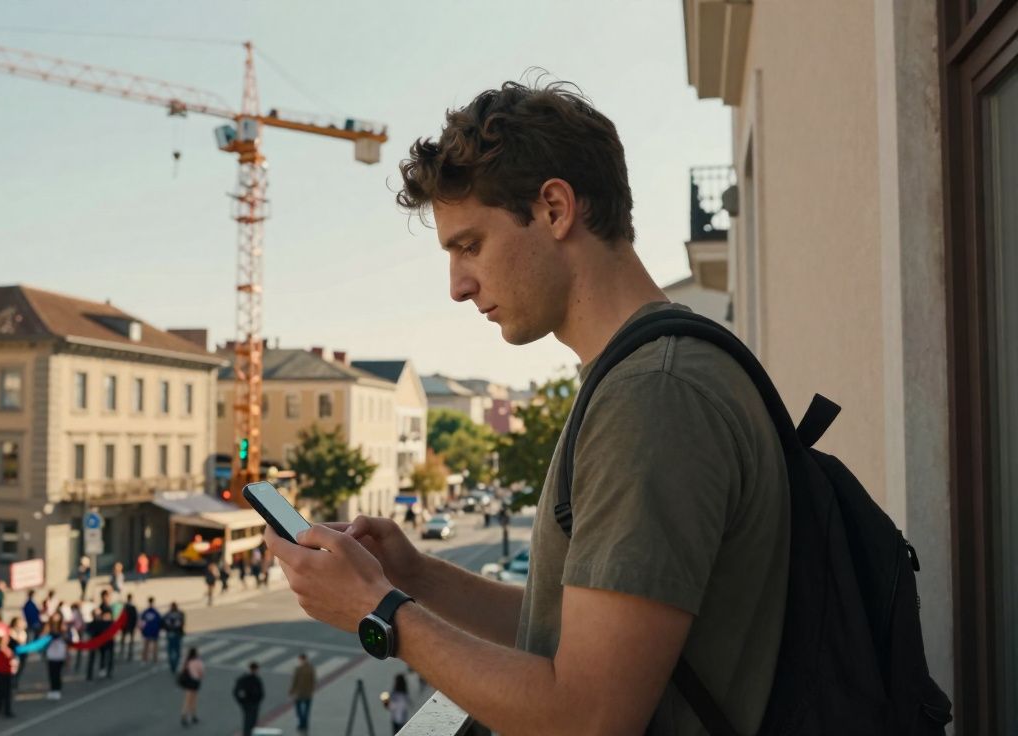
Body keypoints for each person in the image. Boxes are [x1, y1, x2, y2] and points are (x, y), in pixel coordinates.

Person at [262, 81, 791, 736]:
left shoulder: (653, 394)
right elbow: (569, 638)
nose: (457, 287)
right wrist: (416, 576)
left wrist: (381, 612)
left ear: (554, 209)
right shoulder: (648, 370)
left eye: (469, 246)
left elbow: (588, 717)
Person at [233, 661, 265, 736]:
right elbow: (237, 691)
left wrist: (258, 700)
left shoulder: (256, 679)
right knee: (248, 720)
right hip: (248, 703)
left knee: (252, 720)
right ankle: (247, 734)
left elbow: (261, 692)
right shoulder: (245, 679)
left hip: (254, 703)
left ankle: (249, 733)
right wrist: (242, 701)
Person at [289, 653, 317, 735]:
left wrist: (291, 691)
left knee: (299, 710)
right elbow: (313, 680)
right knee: (306, 710)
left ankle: (302, 724)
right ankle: (305, 724)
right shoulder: (311, 668)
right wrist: (312, 690)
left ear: (301, 659)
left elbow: (294, 681)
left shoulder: (298, 668)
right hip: (308, 693)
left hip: (299, 693)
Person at [44, 615, 69, 701]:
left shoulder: (63, 629)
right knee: (51, 673)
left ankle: (57, 689)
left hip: (60, 655)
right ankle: (52, 689)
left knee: (57, 673)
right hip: (51, 655)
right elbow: (42, 638)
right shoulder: (48, 628)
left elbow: (67, 640)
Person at [177, 647, 204, 728]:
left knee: (187, 700)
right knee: (194, 699)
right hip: (195, 682)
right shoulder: (198, 662)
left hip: (188, 682)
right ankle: (192, 716)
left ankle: (185, 716)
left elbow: (182, 670)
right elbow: (201, 673)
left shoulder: (187, 661)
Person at [0, 636, 17, 718]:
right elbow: (2, 664)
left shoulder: (4, 650)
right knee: (6, 693)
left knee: (2, 692)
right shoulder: (1, 651)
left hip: (4, 673)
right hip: (4, 674)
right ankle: (6, 710)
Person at [85, 608, 114, 680]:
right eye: (96, 614)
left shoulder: (104, 623)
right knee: (92, 659)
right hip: (94, 643)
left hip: (104, 643)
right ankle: (89, 675)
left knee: (105, 657)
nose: (98, 616)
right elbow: (88, 632)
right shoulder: (92, 624)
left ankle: (105, 670)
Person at [162, 602, 186, 673]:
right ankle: (175, 664)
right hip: (177, 633)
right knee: (176, 650)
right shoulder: (180, 614)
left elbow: (163, 623)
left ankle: (173, 664)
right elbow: (182, 623)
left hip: (170, 633)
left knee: (171, 649)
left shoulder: (168, 614)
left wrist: (166, 629)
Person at [8, 616, 29, 688]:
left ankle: (15, 682)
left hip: (22, 654)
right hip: (14, 654)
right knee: (13, 669)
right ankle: (12, 683)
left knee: (20, 669)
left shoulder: (24, 632)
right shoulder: (11, 632)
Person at [140, 596, 162, 664]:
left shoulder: (146, 612)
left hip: (148, 631)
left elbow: (142, 622)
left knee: (147, 646)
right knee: (153, 646)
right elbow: (159, 621)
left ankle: (146, 659)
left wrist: (142, 630)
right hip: (153, 631)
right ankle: (154, 659)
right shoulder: (155, 612)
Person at [120, 593, 139, 658]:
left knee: (126, 640)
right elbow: (135, 617)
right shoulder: (129, 607)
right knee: (129, 640)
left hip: (127, 626)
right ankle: (129, 653)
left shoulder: (125, 607)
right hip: (129, 625)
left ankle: (125, 652)